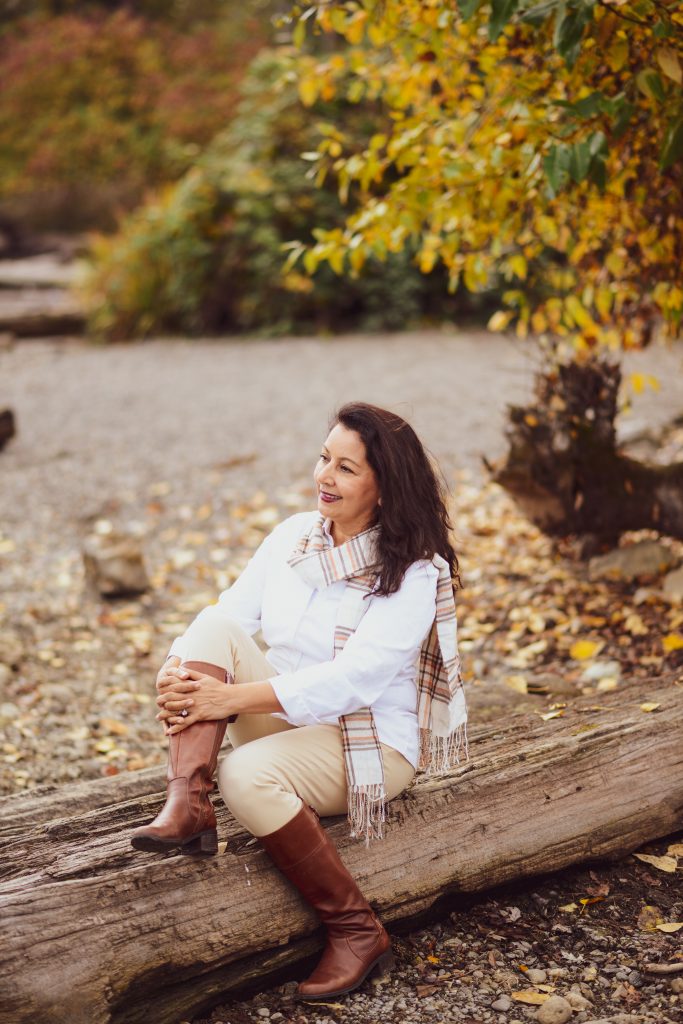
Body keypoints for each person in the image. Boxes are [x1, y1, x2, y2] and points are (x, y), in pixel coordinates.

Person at [130, 401, 468, 1001]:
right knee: (211, 630)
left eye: (345, 468)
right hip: (286, 718)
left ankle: (356, 930)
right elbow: (229, 616)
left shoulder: (412, 574)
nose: (324, 477)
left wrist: (226, 697)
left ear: (384, 488)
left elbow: (353, 681)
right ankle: (188, 806)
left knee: (247, 775)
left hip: (369, 745)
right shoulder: (293, 536)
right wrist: (175, 675)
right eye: (323, 458)